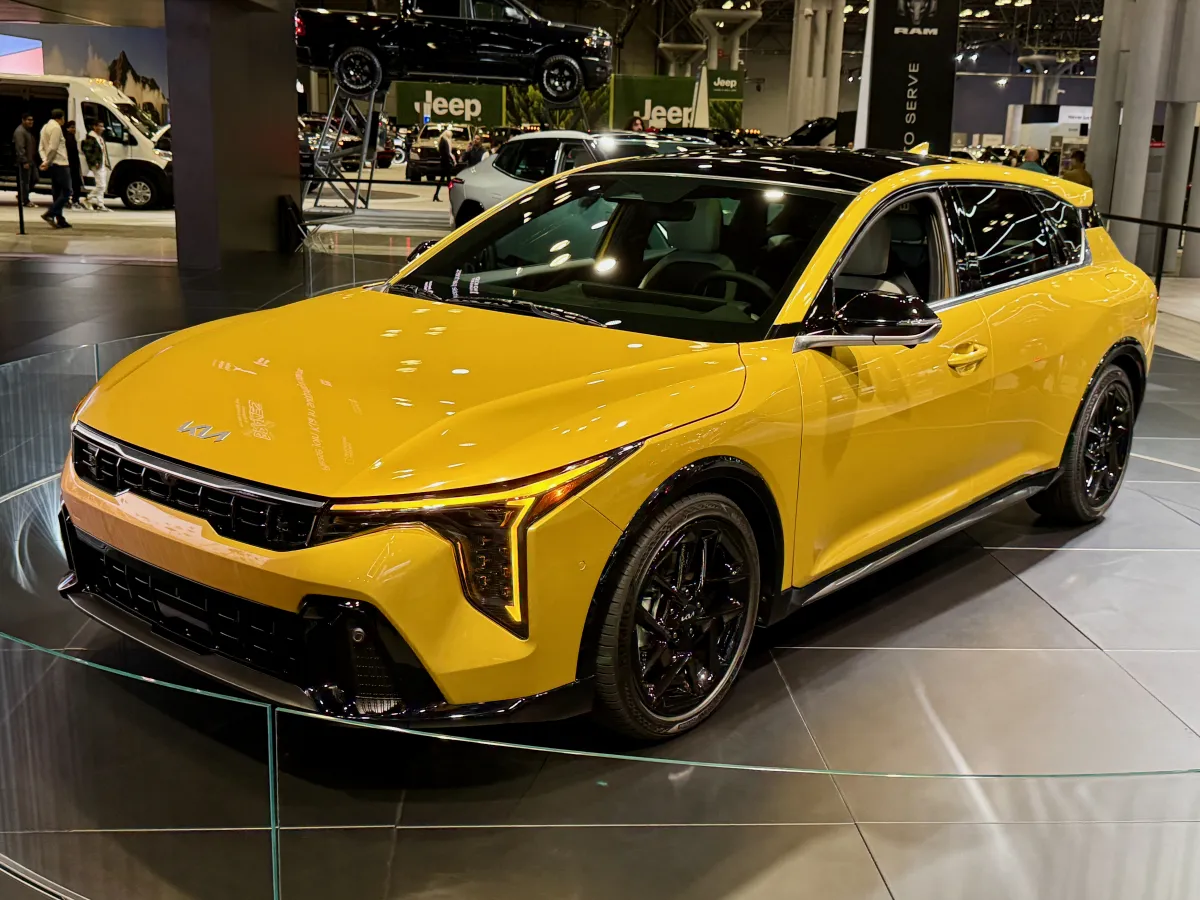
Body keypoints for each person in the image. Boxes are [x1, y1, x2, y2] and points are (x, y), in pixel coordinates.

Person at [38, 108, 71, 228]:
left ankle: (60, 219)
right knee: (67, 191)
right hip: (60, 163)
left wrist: (44, 161)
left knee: (57, 193)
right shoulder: (56, 128)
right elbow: (53, 147)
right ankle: (50, 213)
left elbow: (41, 147)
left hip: (52, 164)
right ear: (61, 118)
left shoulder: (45, 127)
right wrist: (47, 161)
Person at [81, 118, 111, 211]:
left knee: (102, 184)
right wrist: (95, 162)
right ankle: (87, 199)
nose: (102, 128)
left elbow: (103, 152)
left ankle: (100, 204)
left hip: (102, 163)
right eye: (100, 126)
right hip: (97, 164)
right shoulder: (90, 138)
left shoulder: (99, 138)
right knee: (101, 185)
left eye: (102, 126)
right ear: (94, 127)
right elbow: (88, 152)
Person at [12, 113, 37, 207]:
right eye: (28, 120)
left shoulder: (27, 131)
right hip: (25, 161)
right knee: (25, 181)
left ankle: (22, 196)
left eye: (32, 120)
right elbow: (20, 147)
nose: (31, 122)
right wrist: (24, 161)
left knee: (34, 178)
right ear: (23, 120)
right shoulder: (20, 131)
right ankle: (25, 200)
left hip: (30, 160)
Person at [431, 126, 456, 202]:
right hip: (446, 162)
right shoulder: (445, 141)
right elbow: (447, 153)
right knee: (448, 180)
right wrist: (452, 161)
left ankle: (436, 195)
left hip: (444, 162)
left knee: (443, 179)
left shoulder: (442, 140)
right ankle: (451, 196)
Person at [64, 120, 84, 209]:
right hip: (71, 164)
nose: (74, 129)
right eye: (72, 127)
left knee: (74, 183)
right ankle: (74, 200)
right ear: (67, 128)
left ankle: (73, 199)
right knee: (73, 183)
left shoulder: (72, 137)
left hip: (73, 164)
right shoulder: (68, 138)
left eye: (74, 127)